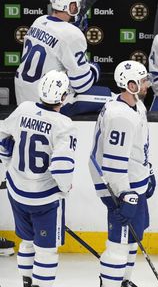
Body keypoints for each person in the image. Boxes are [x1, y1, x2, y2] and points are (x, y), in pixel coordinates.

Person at [0, 70, 77, 287]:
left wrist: (8, 163)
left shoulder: (24, 109)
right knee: (46, 252)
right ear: (63, 97)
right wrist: (64, 189)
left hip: (17, 192)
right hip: (45, 199)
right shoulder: (64, 124)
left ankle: (27, 283)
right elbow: (62, 168)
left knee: (27, 241)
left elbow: (2, 137)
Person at [88, 60, 155, 287]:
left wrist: (149, 171)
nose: (148, 84)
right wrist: (125, 195)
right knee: (119, 243)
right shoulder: (120, 117)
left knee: (134, 237)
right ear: (131, 85)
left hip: (134, 182)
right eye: (143, 81)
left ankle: (123, 281)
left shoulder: (136, 105)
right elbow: (114, 165)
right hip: (119, 187)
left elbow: (139, 147)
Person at [14, 0, 111, 117]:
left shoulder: (39, 21)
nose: (81, 7)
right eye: (78, 4)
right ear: (71, 6)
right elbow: (81, 85)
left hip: (23, 99)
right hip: (47, 103)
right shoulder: (72, 34)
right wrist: (95, 69)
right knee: (114, 98)